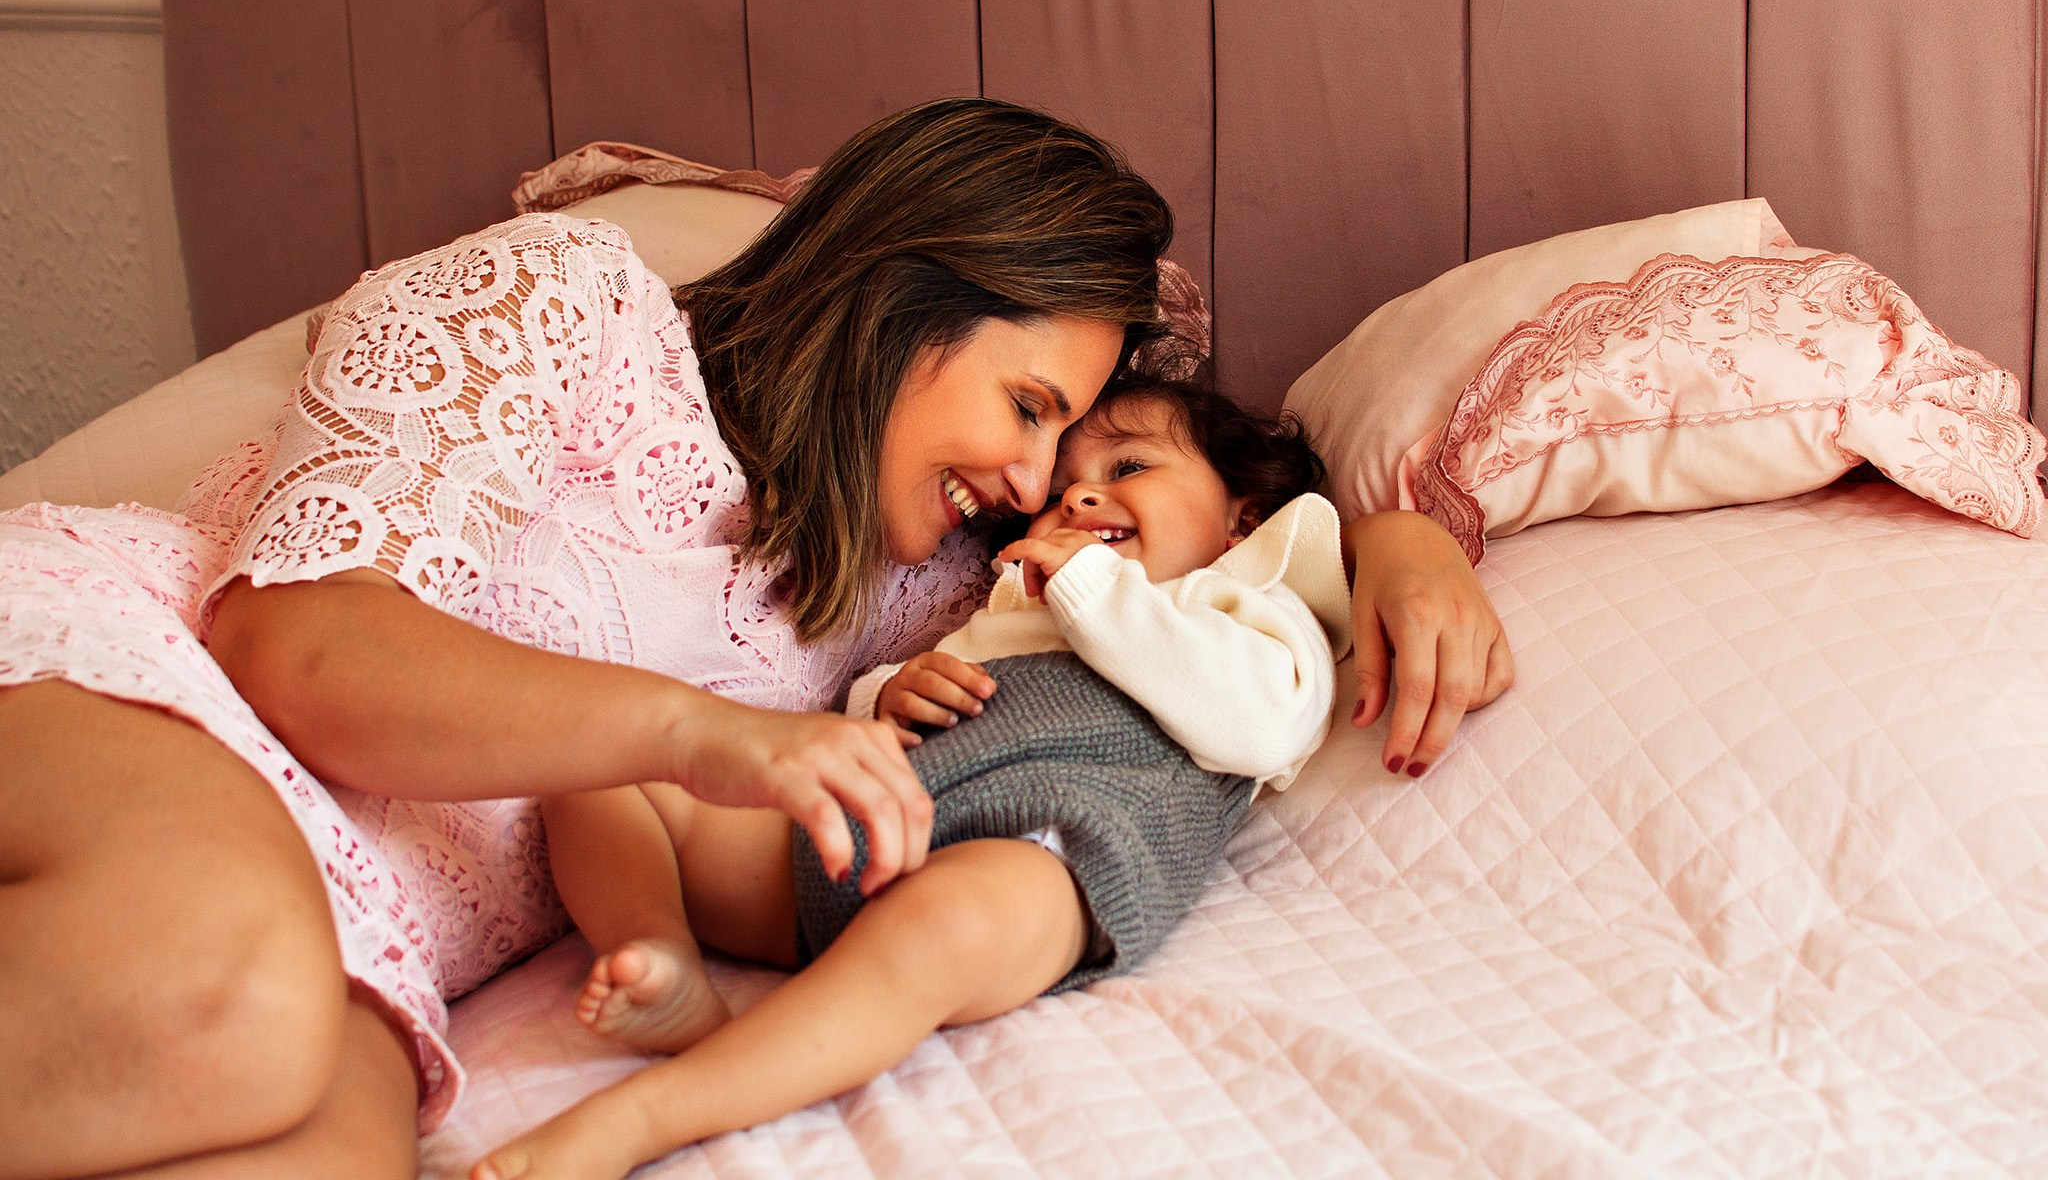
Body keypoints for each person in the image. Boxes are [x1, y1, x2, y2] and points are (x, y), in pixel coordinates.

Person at [0, 98, 1511, 1179]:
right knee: (228, 997)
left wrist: (1397, 538)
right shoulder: (564, 301)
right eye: (1027, 407)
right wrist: (703, 734)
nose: (1033, 479)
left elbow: (1205, 517)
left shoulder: (929, 593)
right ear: (899, 294)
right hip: (138, 678)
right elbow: (304, 650)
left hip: (367, 915)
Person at [472, 375, 1353, 1180]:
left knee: (948, 924)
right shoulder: (1019, 608)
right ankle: (658, 956)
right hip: (868, 833)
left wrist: (1093, 588)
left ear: (1243, 518)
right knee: (605, 771)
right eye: (1061, 492)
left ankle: (642, 1119)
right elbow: (877, 716)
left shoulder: (1256, 606)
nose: (1080, 497)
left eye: (1129, 467)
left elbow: (1260, 723)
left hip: (1048, 856)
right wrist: (892, 695)